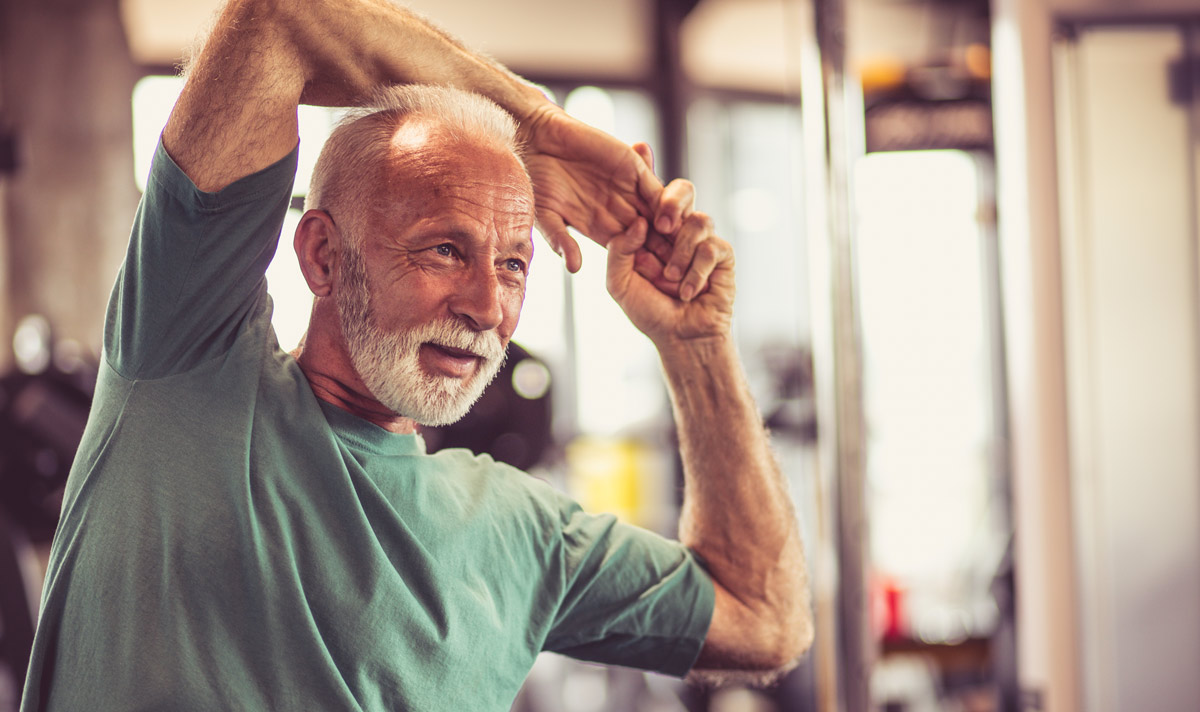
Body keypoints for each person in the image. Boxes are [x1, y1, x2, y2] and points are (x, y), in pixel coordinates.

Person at [20, 0, 812, 709]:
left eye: (512, 263)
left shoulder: (521, 535)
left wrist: (695, 344)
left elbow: (763, 617)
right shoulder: (188, 370)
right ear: (324, 256)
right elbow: (277, 23)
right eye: (443, 249)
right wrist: (530, 123)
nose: (488, 307)